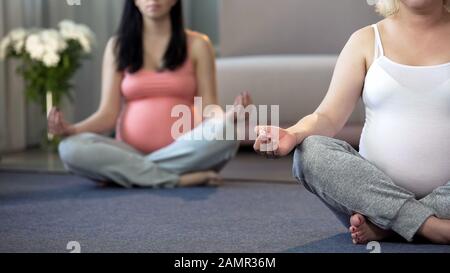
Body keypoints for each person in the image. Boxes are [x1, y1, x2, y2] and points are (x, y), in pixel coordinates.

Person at [254, 0, 450, 244]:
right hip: (368, 197)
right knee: (309, 152)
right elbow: (328, 117)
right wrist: (293, 134)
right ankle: (432, 228)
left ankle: (389, 226)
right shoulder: (366, 40)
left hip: (442, 197)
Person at [48, 0, 252, 188]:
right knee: (70, 148)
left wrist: (228, 117)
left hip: (186, 151)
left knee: (228, 132)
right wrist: (72, 130)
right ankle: (175, 179)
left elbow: (209, 109)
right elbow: (108, 114)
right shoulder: (117, 47)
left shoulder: (199, 44)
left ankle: (131, 174)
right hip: (128, 151)